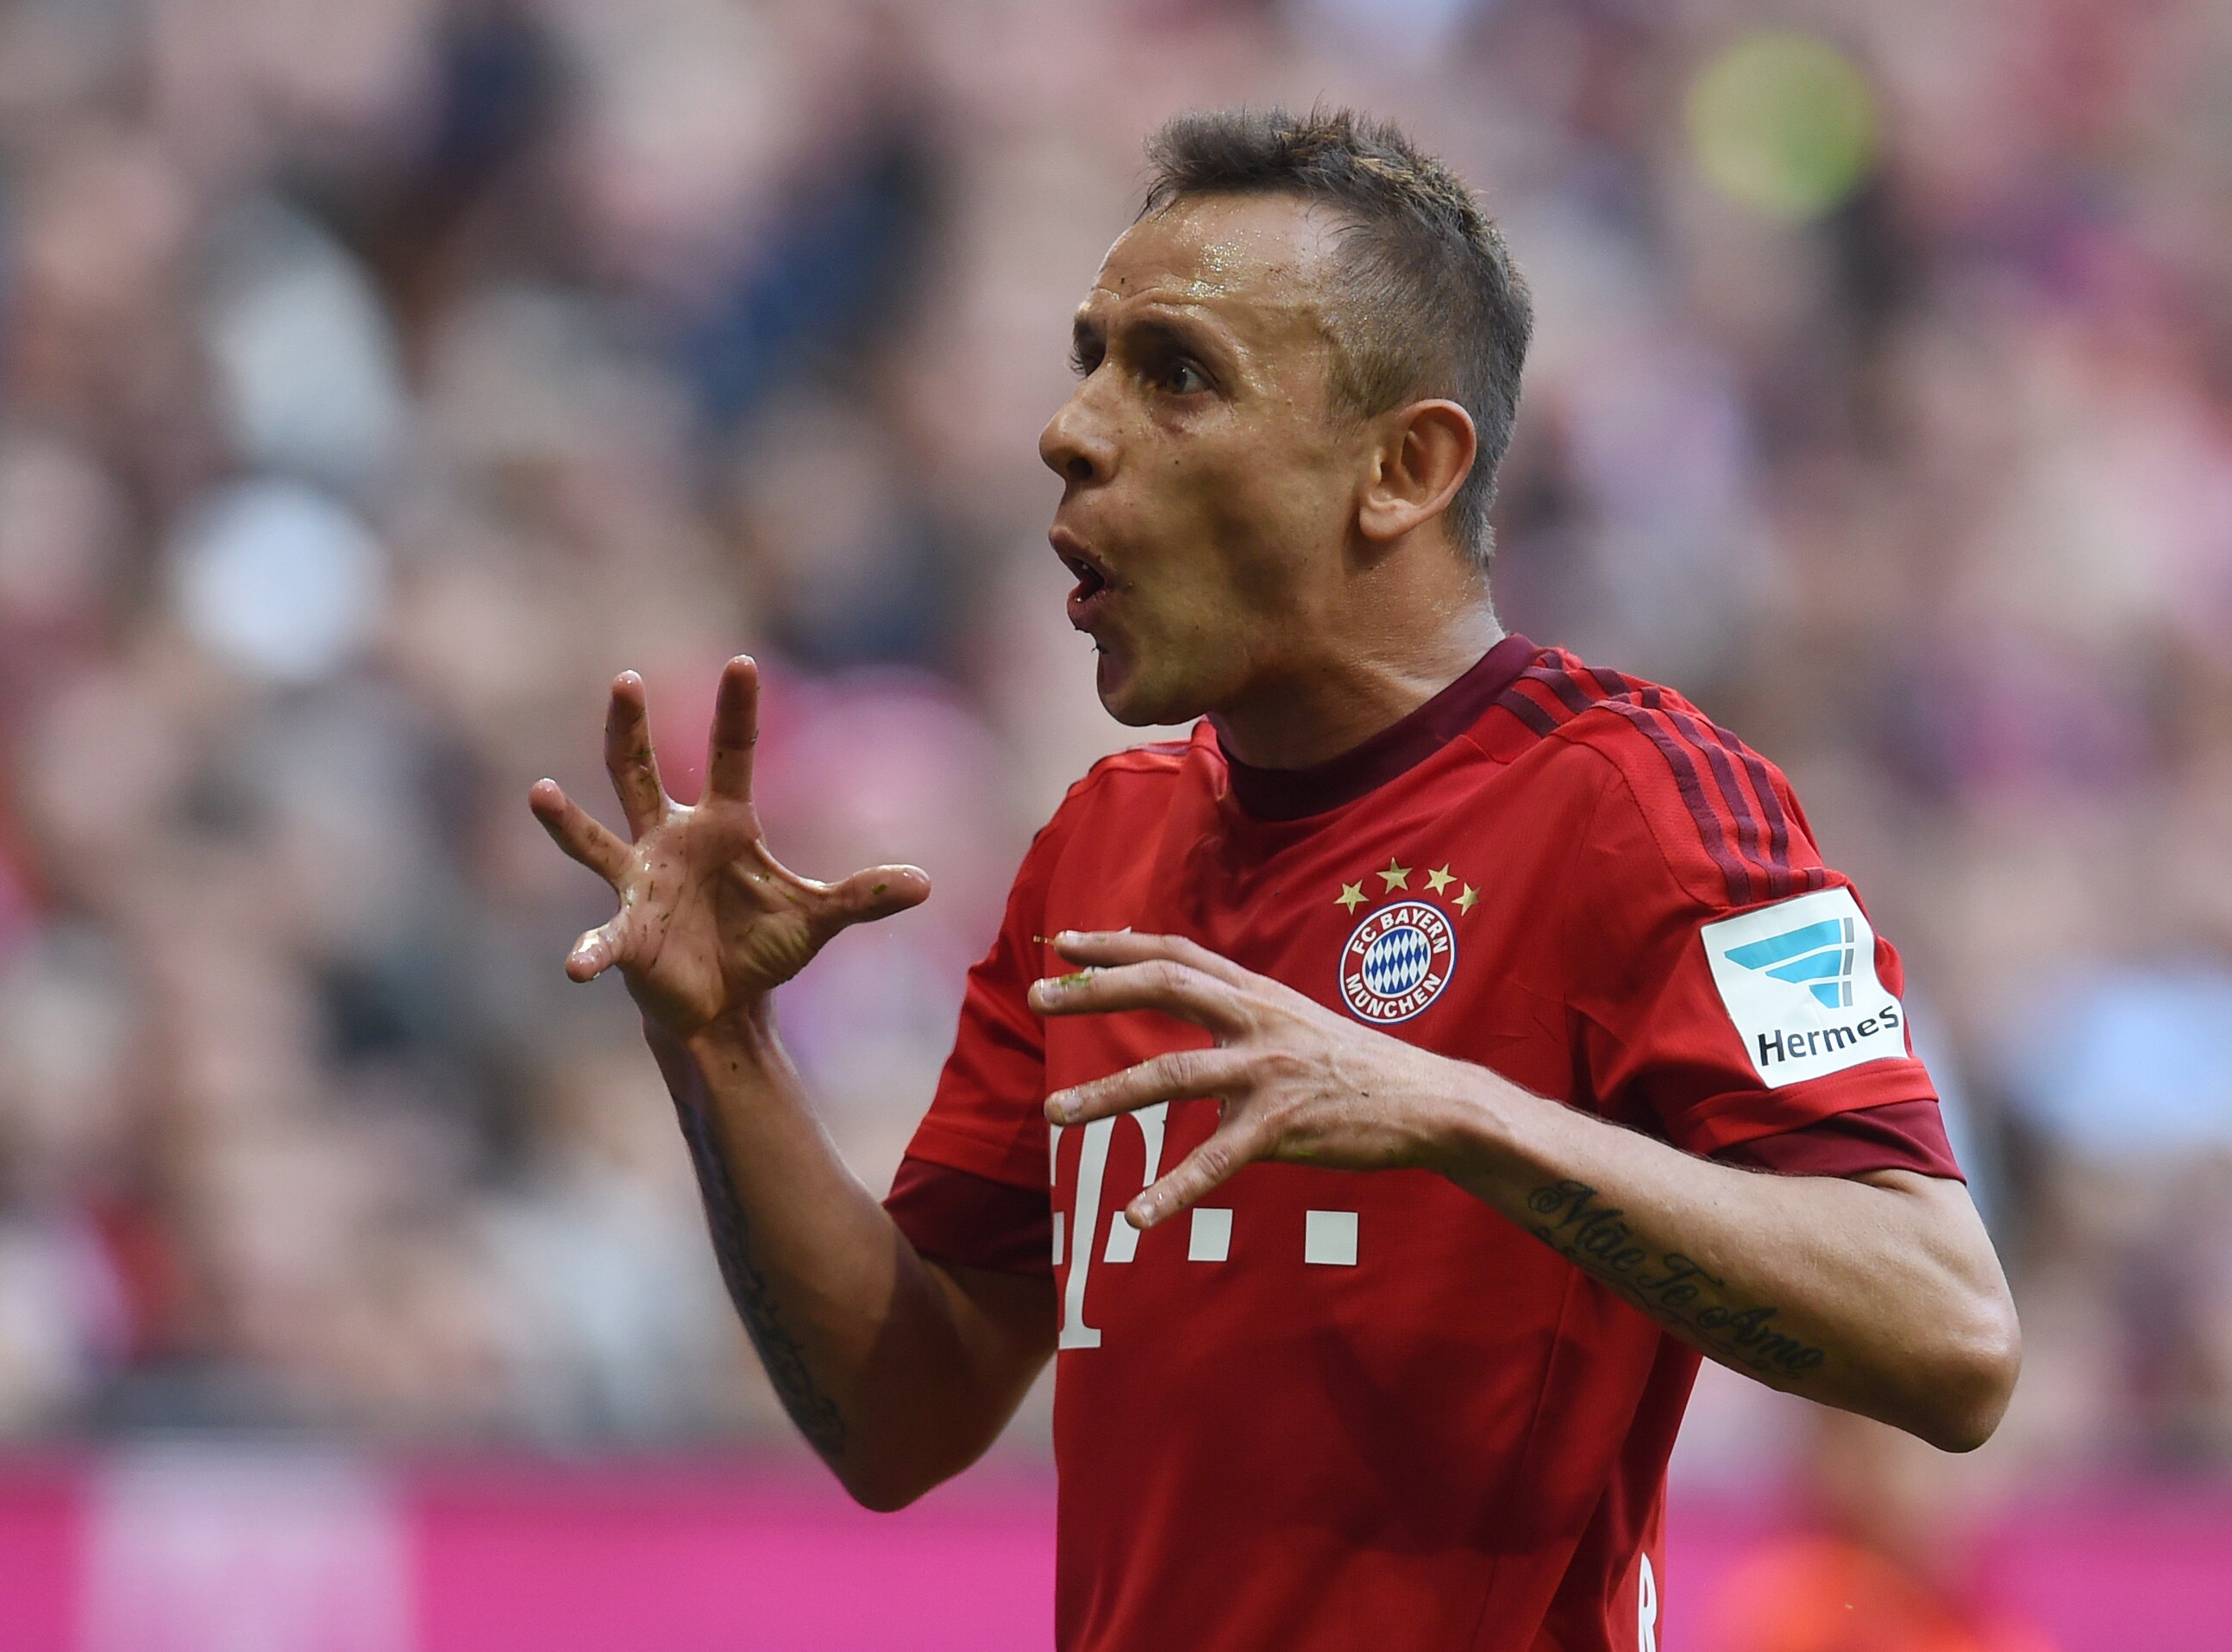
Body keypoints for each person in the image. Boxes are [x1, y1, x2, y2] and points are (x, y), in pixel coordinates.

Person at [529, 106, 2020, 1652]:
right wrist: (721, 1042)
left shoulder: (1639, 807)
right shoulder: (1101, 846)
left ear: (1404, 467)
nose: (1071, 430)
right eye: (1089, 360)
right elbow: (906, 1411)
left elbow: (1948, 1335)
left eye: (1175, 373)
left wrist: (1457, 1114)